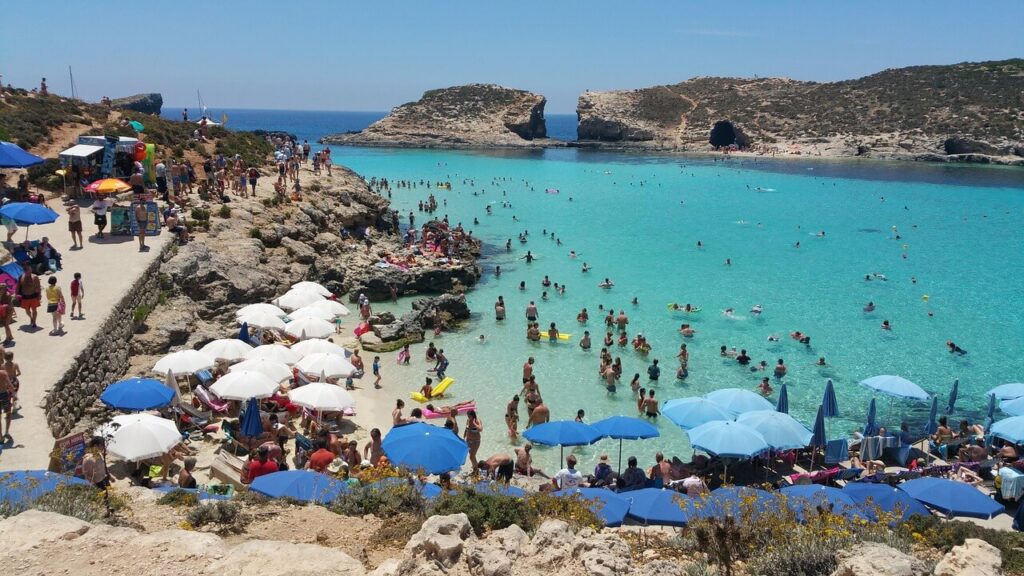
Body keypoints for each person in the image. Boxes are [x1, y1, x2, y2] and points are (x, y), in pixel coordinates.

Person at [16, 263, 41, 329]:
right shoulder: (21, 277)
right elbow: (18, 287)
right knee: (27, 310)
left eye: (29, 269)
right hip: (24, 297)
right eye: (26, 270)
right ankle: (31, 318)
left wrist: (39, 295)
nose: (28, 271)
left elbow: (38, 287)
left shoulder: (35, 277)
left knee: (34, 310)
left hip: (33, 296)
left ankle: (34, 322)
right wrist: (16, 294)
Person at [0, 366, 13, 441]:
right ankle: (7, 432)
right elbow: (9, 385)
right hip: (4, 395)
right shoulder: (3, 373)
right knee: (8, 413)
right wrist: (14, 394)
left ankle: (0, 437)